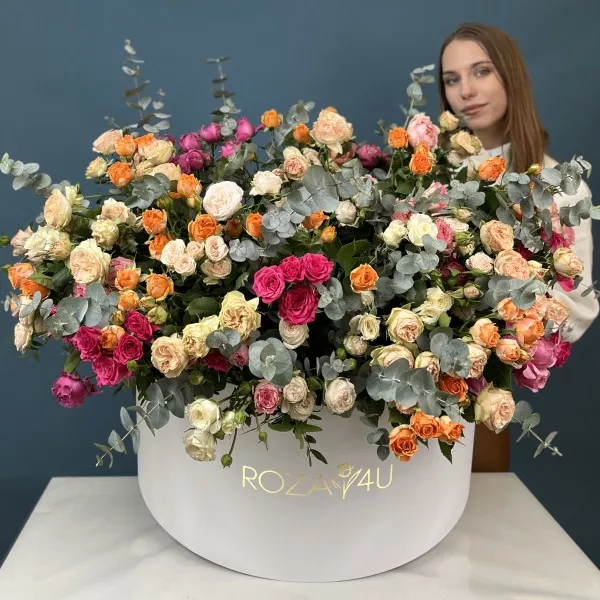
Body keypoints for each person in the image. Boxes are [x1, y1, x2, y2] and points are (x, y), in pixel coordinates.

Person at [437, 23, 599, 472]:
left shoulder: (561, 188)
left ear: (511, 76)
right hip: (408, 384)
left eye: (481, 71)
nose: (466, 90)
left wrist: (500, 329)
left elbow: (578, 304)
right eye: (452, 79)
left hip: (484, 395)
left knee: (481, 502)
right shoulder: (429, 176)